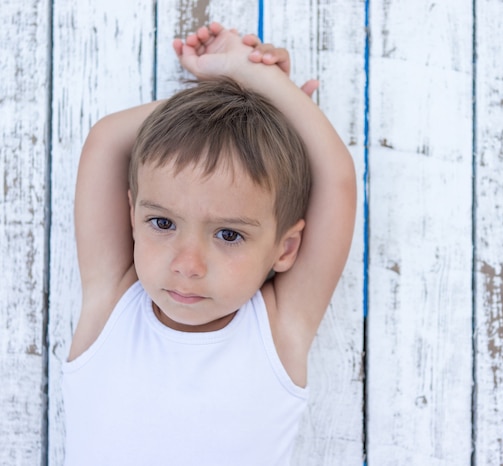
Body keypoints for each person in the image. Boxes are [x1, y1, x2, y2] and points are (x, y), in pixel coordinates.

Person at [62, 22, 356, 466]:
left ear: (286, 248)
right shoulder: (112, 307)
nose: (187, 264)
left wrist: (259, 89)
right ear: (132, 216)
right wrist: (243, 97)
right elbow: (106, 140)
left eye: (228, 235)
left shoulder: (278, 331)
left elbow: (337, 180)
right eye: (162, 222)